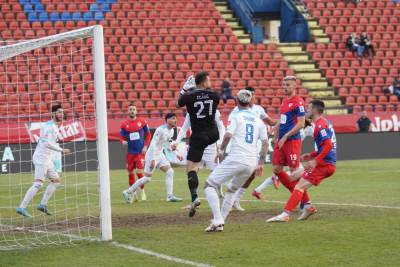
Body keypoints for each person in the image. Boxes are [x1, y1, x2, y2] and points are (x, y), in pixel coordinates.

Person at [203, 90, 268, 232]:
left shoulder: (235, 116)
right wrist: (261, 164)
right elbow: (265, 143)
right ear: (250, 102)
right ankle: (219, 224)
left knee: (209, 185)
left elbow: (227, 135)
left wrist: (220, 151)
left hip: (236, 158)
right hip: (251, 162)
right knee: (232, 190)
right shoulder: (258, 120)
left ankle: (218, 218)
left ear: (237, 101)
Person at [267, 100, 337, 222]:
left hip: (324, 165)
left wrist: (315, 161)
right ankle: (308, 207)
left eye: (308, 108)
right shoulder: (320, 123)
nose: (306, 110)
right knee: (293, 177)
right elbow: (323, 147)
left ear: (315, 110)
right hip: (323, 163)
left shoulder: (320, 125)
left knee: (299, 186)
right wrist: (311, 155)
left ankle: (285, 214)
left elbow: (328, 145)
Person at [176, 71, 220, 217]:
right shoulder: (215, 95)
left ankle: (194, 197)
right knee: (209, 166)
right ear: (202, 82)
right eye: (208, 80)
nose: (210, 83)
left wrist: (185, 89)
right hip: (213, 135)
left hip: (198, 136)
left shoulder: (189, 96)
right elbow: (206, 96)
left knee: (191, 169)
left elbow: (178, 104)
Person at [16, 104, 72, 218]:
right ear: (53, 114)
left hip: (47, 159)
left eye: (62, 112)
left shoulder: (56, 126)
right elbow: (45, 143)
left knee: (56, 181)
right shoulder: (48, 127)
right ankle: (22, 207)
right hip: (41, 158)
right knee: (38, 183)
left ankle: (42, 204)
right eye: (59, 112)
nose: (61, 114)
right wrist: (61, 150)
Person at [229, 86, 277, 211]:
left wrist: (286, 121)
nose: (253, 97)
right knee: (239, 172)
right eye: (250, 95)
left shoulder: (258, 109)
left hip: (253, 148)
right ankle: (230, 196)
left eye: (254, 95)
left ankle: (236, 199)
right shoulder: (236, 111)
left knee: (251, 174)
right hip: (239, 146)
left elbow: (271, 122)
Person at [122, 113, 183, 203]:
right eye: (173, 118)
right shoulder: (160, 129)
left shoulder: (172, 131)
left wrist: (176, 153)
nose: (175, 120)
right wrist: (153, 159)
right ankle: (128, 192)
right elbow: (153, 143)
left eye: (175, 118)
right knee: (147, 178)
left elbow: (168, 143)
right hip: (152, 154)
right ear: (167, 120)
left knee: (170, 171)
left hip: (160, 154)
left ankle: (170, 196)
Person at [271, 76, 311, 209]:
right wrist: (276, 136)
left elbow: (301, 123)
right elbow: (281, 121)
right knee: (277, 169)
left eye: (287, 85)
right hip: (281, 141)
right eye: (283, 84)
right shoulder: (284, 101)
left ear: (295, 86)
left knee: (294, 172)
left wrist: (285, 137)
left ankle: (306, 203)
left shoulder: (298, 102)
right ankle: (296, 195)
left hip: (292, 141)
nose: (285, 87)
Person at [252, 119, 314, 200]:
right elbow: (278, 125)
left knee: (283, 173)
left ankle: (258, 190)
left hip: (292, 151)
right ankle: (303, 201)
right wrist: (275, 138)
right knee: (298, 172)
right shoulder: (292, 124)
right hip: (284, 149)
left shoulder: (309, 128)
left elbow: (316, 134)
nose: (305, 124)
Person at [120, 103, 151, 202]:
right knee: (130, 173)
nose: (132, 111)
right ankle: (132, 195)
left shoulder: (142, 122)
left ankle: (142, 192)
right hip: (130, 152)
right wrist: (122, 141)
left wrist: (145, 146)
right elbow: (120, 136)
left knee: (139, 171)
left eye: (134, 109)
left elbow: (148, 134)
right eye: (130, 109)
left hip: (140, 151)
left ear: (136, 111)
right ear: (128, 111)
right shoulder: (124, 124)